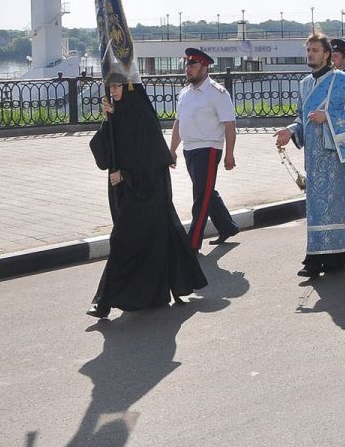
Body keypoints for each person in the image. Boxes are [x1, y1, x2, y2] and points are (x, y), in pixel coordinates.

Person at [87, 77, 207, 318]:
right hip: (126, 194)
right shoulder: (117, 114)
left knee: (121, 242)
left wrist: (125, 174)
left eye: (118, 86)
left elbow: (154, 161)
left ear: (130, 87)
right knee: (146, 243)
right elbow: (103, 157)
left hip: (146, 194)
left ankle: (104, 302)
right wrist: (106, 120)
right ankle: (151, 293)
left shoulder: (142, 116)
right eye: (111, 87)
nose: (114, 91)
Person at [275, 32, 345, 277]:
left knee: (337, 205)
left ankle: (337, 255)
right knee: (317, 207)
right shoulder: (305, 84)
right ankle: (317, 256)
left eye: (315, 50)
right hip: (314, 158)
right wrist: (290, 130)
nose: (310, 55)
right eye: (308, 50)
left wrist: (329, 117)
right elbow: (301, 117)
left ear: (327, 54)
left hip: (338, 156)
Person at [169, 48, 241, 250]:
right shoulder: (185, 93)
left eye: (193, 65)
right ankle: (227, 226)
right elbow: (178, 122)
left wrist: (229, 154)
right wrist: (172, 149)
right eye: (187, 65)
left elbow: (229, 125)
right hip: (189, 149)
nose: (188, 69)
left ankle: (192, 243)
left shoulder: (217, 93)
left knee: (200, 196)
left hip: (209, 149)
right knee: (206, 191)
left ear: (204, 67)